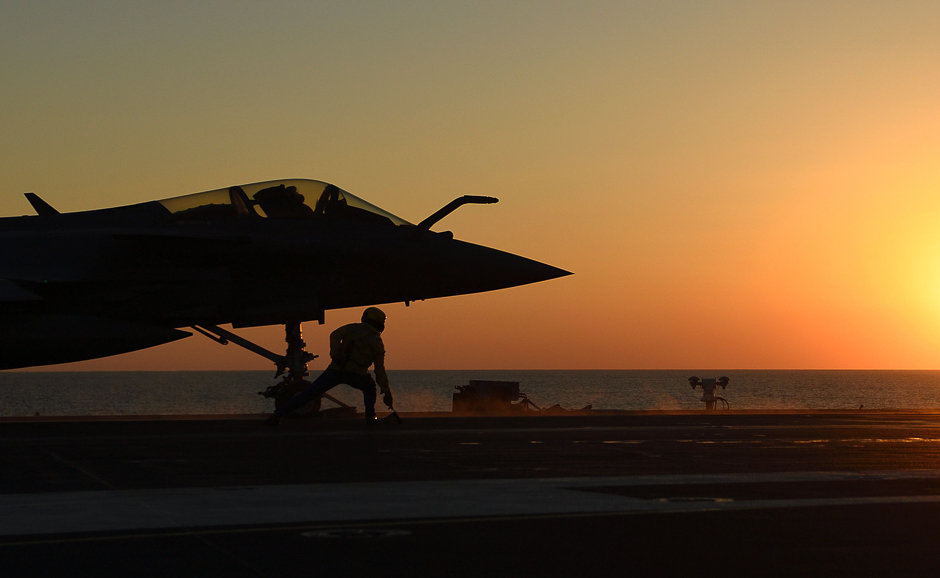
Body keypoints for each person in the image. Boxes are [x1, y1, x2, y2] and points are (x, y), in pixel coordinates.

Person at [264, 307, 392, 425]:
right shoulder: (377, 343)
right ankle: (370, 417)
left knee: (309, 393)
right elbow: (379, 370)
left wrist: (335, 353)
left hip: (336, 369)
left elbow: (334, 335)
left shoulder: (352, 328)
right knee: (369, 388)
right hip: (357, 374)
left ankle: (277, 416)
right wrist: (386, 391)